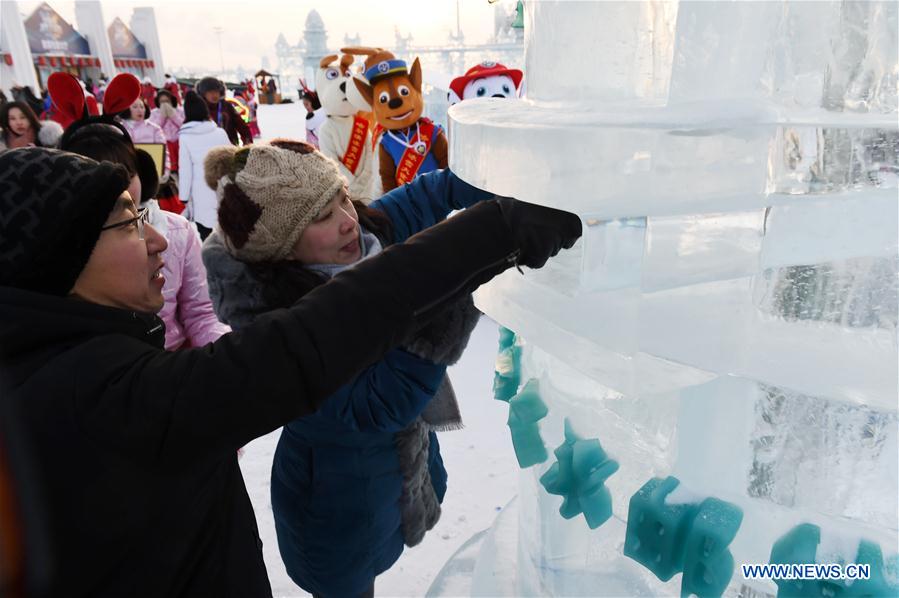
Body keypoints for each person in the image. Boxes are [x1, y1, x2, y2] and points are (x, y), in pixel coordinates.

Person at [0, 145, 580, 597]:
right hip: (337, 512)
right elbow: (313, 344)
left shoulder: (67, 364)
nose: (157, 240)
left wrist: (526, 173)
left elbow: (424, 200)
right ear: (61, 256)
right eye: (127, 224)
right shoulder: (100, 400)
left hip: (391, 490)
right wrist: (481, 255)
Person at [201, 140, 507, 597]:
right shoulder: (278, 333)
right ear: (283, 250)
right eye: (322, 217)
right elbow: (382, 404)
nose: (347, 220)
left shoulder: (362, 240)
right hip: (334, 502)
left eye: (341, 197)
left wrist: (512, 191)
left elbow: (431, 195)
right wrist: (459, 277)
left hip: (392, 475)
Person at [60, 116, 230, 351]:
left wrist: (223, 352)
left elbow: (201, 313)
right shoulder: (58, 247)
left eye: (128, 174)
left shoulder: (177, 231)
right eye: (102, 177)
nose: (119, 187)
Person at [179, 91, 230, 239]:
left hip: (200, 192)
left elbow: (186, 170)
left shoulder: (185, 136)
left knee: (207, 235)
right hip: (223, 187)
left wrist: (184, 197)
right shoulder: (220, 132)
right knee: (227, 232)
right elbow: (230, 160)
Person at [118, 97, 170, 178]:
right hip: (127, 175)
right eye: (135, 107)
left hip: (151, 174)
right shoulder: (119, 128)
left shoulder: (154, 129)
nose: (140, 110)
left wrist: (165, 171)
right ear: (127, 109)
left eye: (142, 107)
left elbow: (164, 152)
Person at [196, 76, 252, 146]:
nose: (214, 95)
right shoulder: (198, 109)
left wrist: (247, 144)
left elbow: (242, 126)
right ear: (203, 93)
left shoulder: (226, 106)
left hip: (230, 148)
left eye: (216, 91)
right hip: (208, 150)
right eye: (210, 92)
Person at [149, 88, 184, 172]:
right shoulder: (154, 113)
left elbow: (184, 125)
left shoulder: (180, 110)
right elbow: (154, 128)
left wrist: (173, 116)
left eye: (167, 101)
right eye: (162, 102)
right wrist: (162, 117)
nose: (165, 104)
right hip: (165, 143)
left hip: (180, 141)